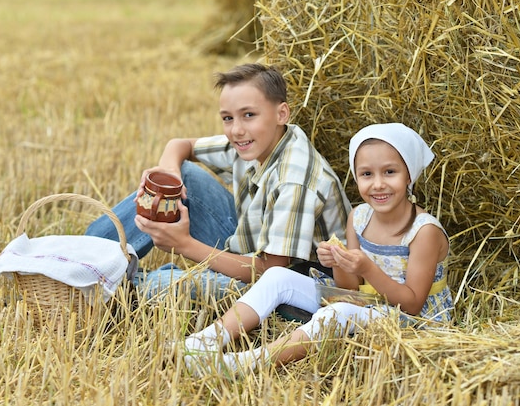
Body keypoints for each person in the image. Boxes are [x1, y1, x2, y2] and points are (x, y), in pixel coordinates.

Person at [182, 122, 454, 375]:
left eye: (390, 172)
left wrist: (366, 268)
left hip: (407, 320)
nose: (378, 184)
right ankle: (202, 343)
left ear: (410, 174)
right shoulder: (358, 217)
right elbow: (347, 290)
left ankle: (244, 364)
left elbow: (412, 305)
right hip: (364, 302)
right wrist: (338, 262)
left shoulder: (424, 231)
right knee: (277, 276)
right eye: (367, 174)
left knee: (337, 314)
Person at [85, 63, 352, 301]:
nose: (236, 129)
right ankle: (81, 259)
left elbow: (271, 271)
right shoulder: (256, 141)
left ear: (282, 114)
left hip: (297, 281)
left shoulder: (295, 179)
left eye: (249, 115)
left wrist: (184, 245)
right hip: (255, 246)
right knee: (186, 174)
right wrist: (170, 172)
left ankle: (103, 285)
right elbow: (180, 145)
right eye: (228, 118)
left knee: (171, 286)